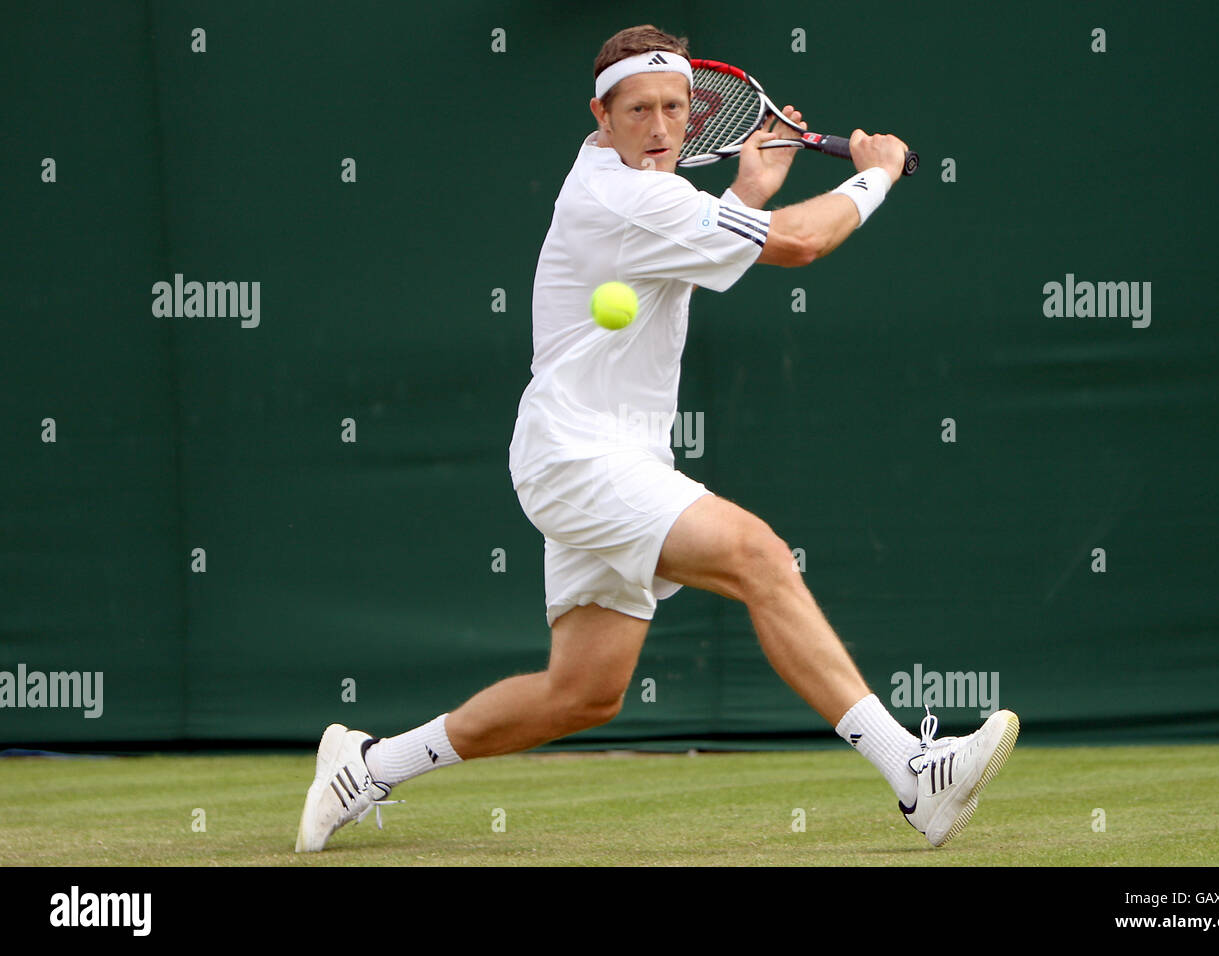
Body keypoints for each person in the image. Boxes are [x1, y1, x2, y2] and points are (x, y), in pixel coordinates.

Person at [296, 24, 1018, 854]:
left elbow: (705, 248)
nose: (663, 127)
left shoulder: (646, 194)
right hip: (576, 454)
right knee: (760, 558)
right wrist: (876, 174)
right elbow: (801, 243)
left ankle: (368, 765)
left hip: (605, 458)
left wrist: (747, 194)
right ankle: (914, 771)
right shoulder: (626, 193)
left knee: (583, 695)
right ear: (601, 115)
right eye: (639, 109)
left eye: (676, 108)